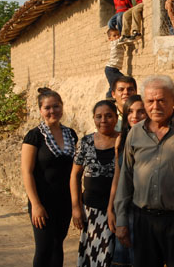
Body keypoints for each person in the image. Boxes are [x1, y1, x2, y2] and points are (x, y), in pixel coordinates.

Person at [114, 75, 174, 267]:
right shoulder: (135, 133)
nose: (155, 106)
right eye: (150, 101)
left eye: (161, 100)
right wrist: (121, 220)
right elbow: (125, 177)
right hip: (144, 221)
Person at [21, 87, 78, 267]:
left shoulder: (71, 134)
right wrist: (36, 205)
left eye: (56, 106)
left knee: (57, 244)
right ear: (40, 110)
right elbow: (27, 172)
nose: (52, 111)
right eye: (47, 108)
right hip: (43, 201)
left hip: (64, 201)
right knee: (44, 248)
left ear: (62, 107)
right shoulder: (34, 136)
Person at [71, 100, 119, 266]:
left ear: (116, 117)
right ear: (93, 118)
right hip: (90, 211)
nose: (103, 120)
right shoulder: (86, 142)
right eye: (98, 116)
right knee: (90, 255)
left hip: (115, 211)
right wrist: (76, 207)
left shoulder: (123, 141)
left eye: (108, 116)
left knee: (111, 256)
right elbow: (75, 175)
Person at [107, 95, 147, 266]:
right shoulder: (121, 139)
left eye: (140, 111)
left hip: (143, 208)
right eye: (130, 112)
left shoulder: (153, 139)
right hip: (125, 207)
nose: (135, 116)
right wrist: (111, 208)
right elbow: (118, 176)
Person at [105, 28, 125, 99]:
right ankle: (109, 98)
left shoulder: (118, 43)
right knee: (115, 84)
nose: (117, 36)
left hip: (114, 69)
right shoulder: (114, 43)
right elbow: (123, 39)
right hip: (111, 69)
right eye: (114, 35)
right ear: (110, 39)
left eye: (118, 35)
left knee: (117, 83)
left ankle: (110, 97)